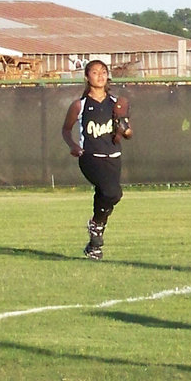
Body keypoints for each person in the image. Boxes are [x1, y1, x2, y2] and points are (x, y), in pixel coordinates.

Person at [61, 59, 132, 260]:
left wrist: (124, 130)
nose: (100, 76)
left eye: (103, 72)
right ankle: (96, 225)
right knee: (113, 192)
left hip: (113, 157)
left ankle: (95, 241)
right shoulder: (80, 105)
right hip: (90, 157)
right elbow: (66, 129)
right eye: (95, 72)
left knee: (108, 194)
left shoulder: (116, 103)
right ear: (87, 77)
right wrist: (73, 146)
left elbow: (127, 133)